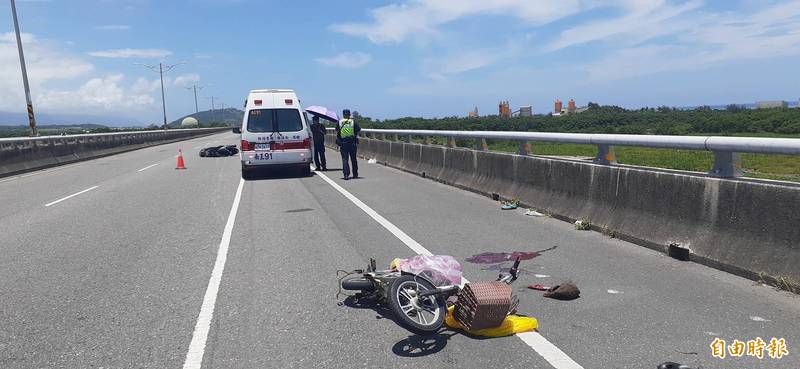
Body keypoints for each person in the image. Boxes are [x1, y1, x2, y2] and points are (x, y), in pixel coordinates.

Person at [337, 109, 361, 180]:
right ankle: (355, 174)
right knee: (353, 159)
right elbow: (358, 129)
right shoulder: (353, 122)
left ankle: (346, 175)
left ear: (343, 114)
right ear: (349, 114)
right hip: (352, 143)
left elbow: (337, 130)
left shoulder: (340, 122)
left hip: (343, 143)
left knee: (345, 159)